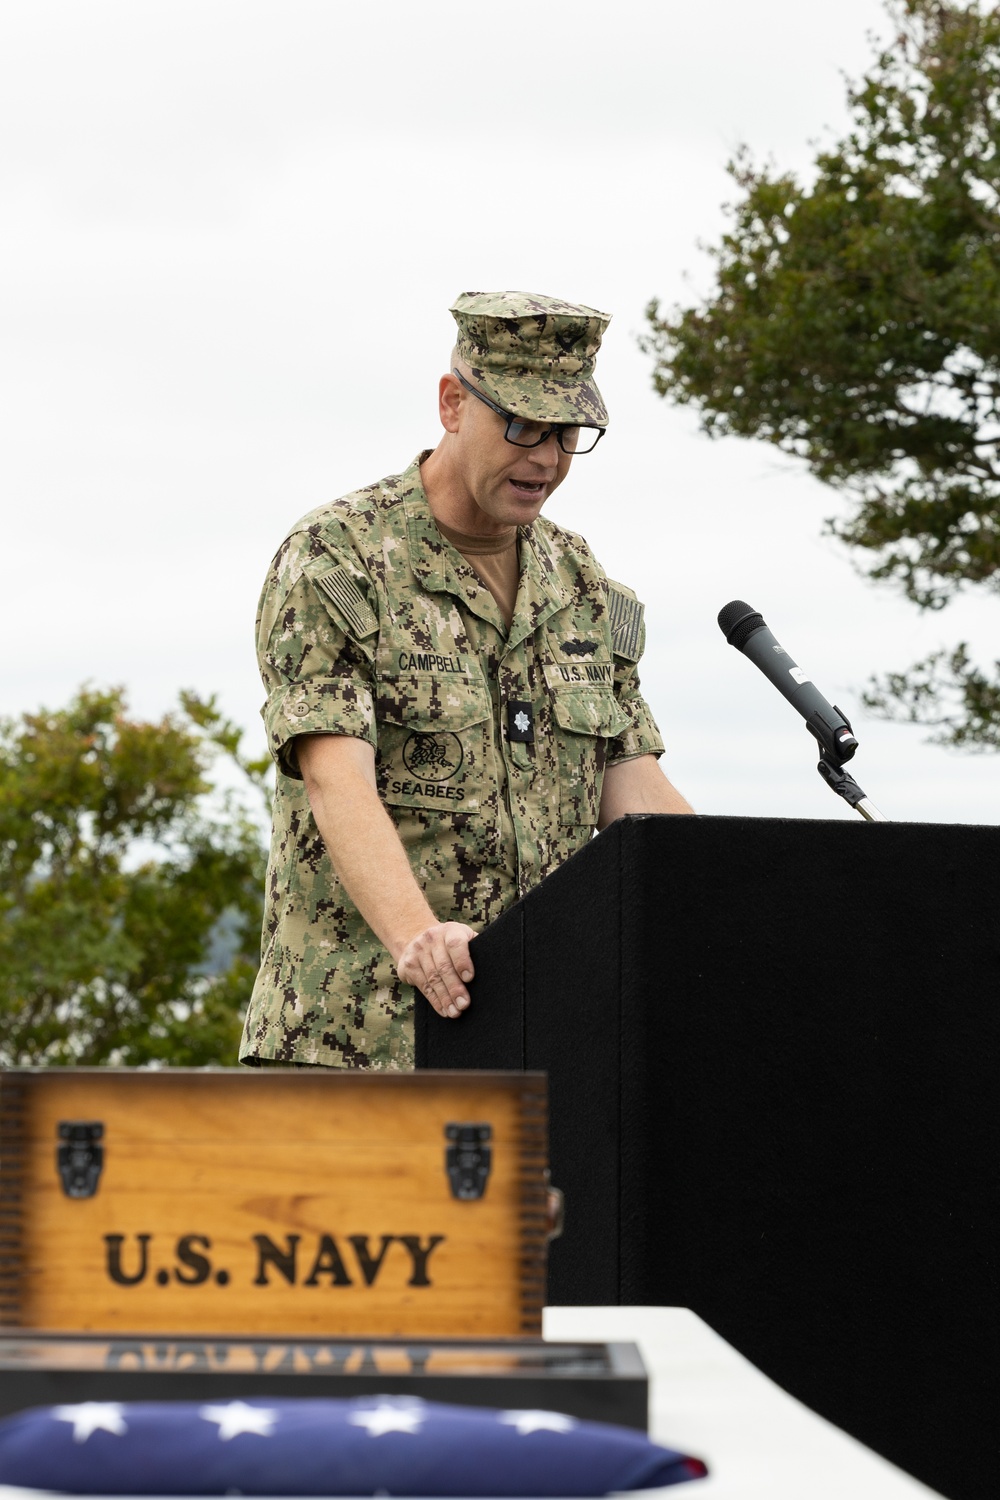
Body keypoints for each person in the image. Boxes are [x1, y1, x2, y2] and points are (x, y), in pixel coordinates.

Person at [240, 290, 693, 1070]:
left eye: (566, 434)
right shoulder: (338, 557)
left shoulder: (580, 580)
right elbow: (334, 780)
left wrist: (752, 892)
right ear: (453, 404)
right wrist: (422, 940)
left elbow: (632, 793)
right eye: (521, 425)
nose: (546, 459)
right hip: (356, 1042)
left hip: (531, 1041)